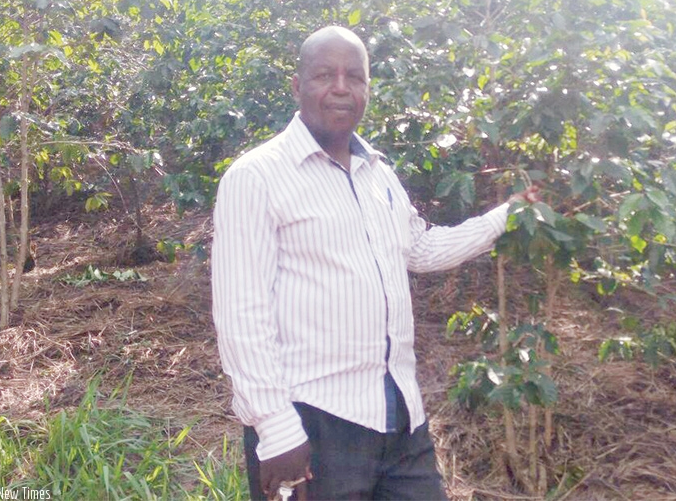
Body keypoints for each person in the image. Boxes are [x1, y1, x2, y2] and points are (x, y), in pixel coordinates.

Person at [211, 26, 537, 500]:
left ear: (367, 88)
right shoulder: (256, 176)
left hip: (401, 419)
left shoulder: (378, 174)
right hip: (313, 422)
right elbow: (241, 313)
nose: (341, 87)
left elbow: (420, 248)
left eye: (354, 76)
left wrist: (506, 217)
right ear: (297, 86)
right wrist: (275, 428)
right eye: (325, 74)